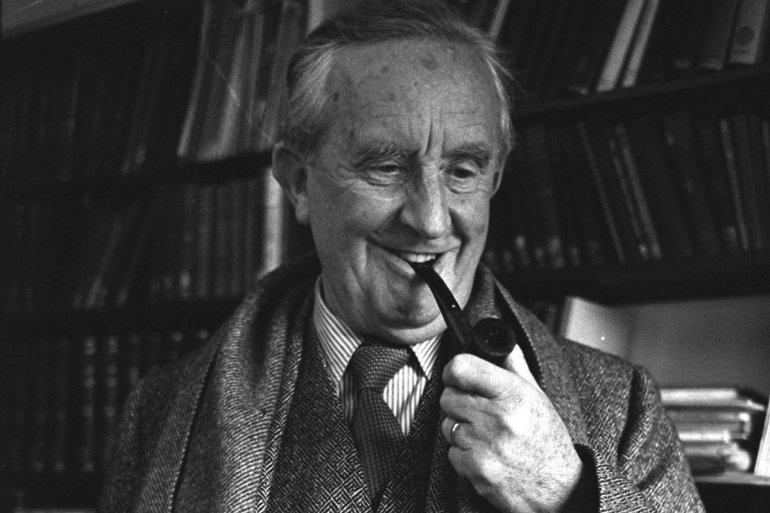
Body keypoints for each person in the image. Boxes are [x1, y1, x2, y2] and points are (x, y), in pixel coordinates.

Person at [99, 1, 705, 512]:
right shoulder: (158, 415)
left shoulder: (623, 409)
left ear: (495, 180)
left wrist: (567, 494)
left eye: (463, 171)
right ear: (299, 182)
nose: (432, 221)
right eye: (386, 167)